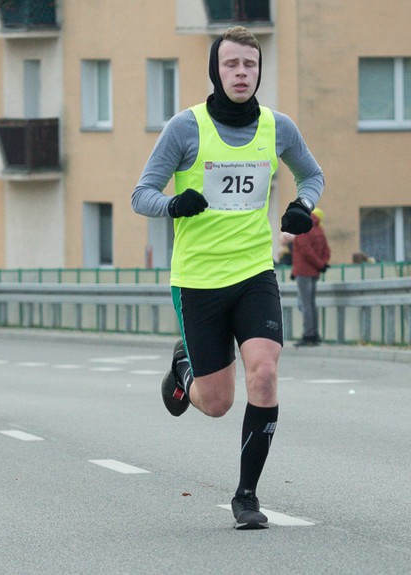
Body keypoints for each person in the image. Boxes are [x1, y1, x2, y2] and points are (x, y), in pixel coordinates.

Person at [131, 26, 324, 529]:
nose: (242, 74)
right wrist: (173, 203)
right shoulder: (186, 128)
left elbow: (313, 175)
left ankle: (246, 496)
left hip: (255, 270)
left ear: (259, 71)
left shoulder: (277, 127)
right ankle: (184, 372)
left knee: (264, 372)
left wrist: (303, 205)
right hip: (197, 279)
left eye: (250, 66)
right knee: (216, 403)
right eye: (232, 65)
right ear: (216, 70)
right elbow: (141, 194)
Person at [291, 208, 331, 347]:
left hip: (303, 272)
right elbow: (326, 250)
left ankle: (308, 335)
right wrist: (322, 264)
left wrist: (318, 264)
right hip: (314, 272)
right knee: (312, 304)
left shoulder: (302, 229)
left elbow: (306, 251)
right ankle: (315, 334)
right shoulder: (319, 230)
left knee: (306, 304)